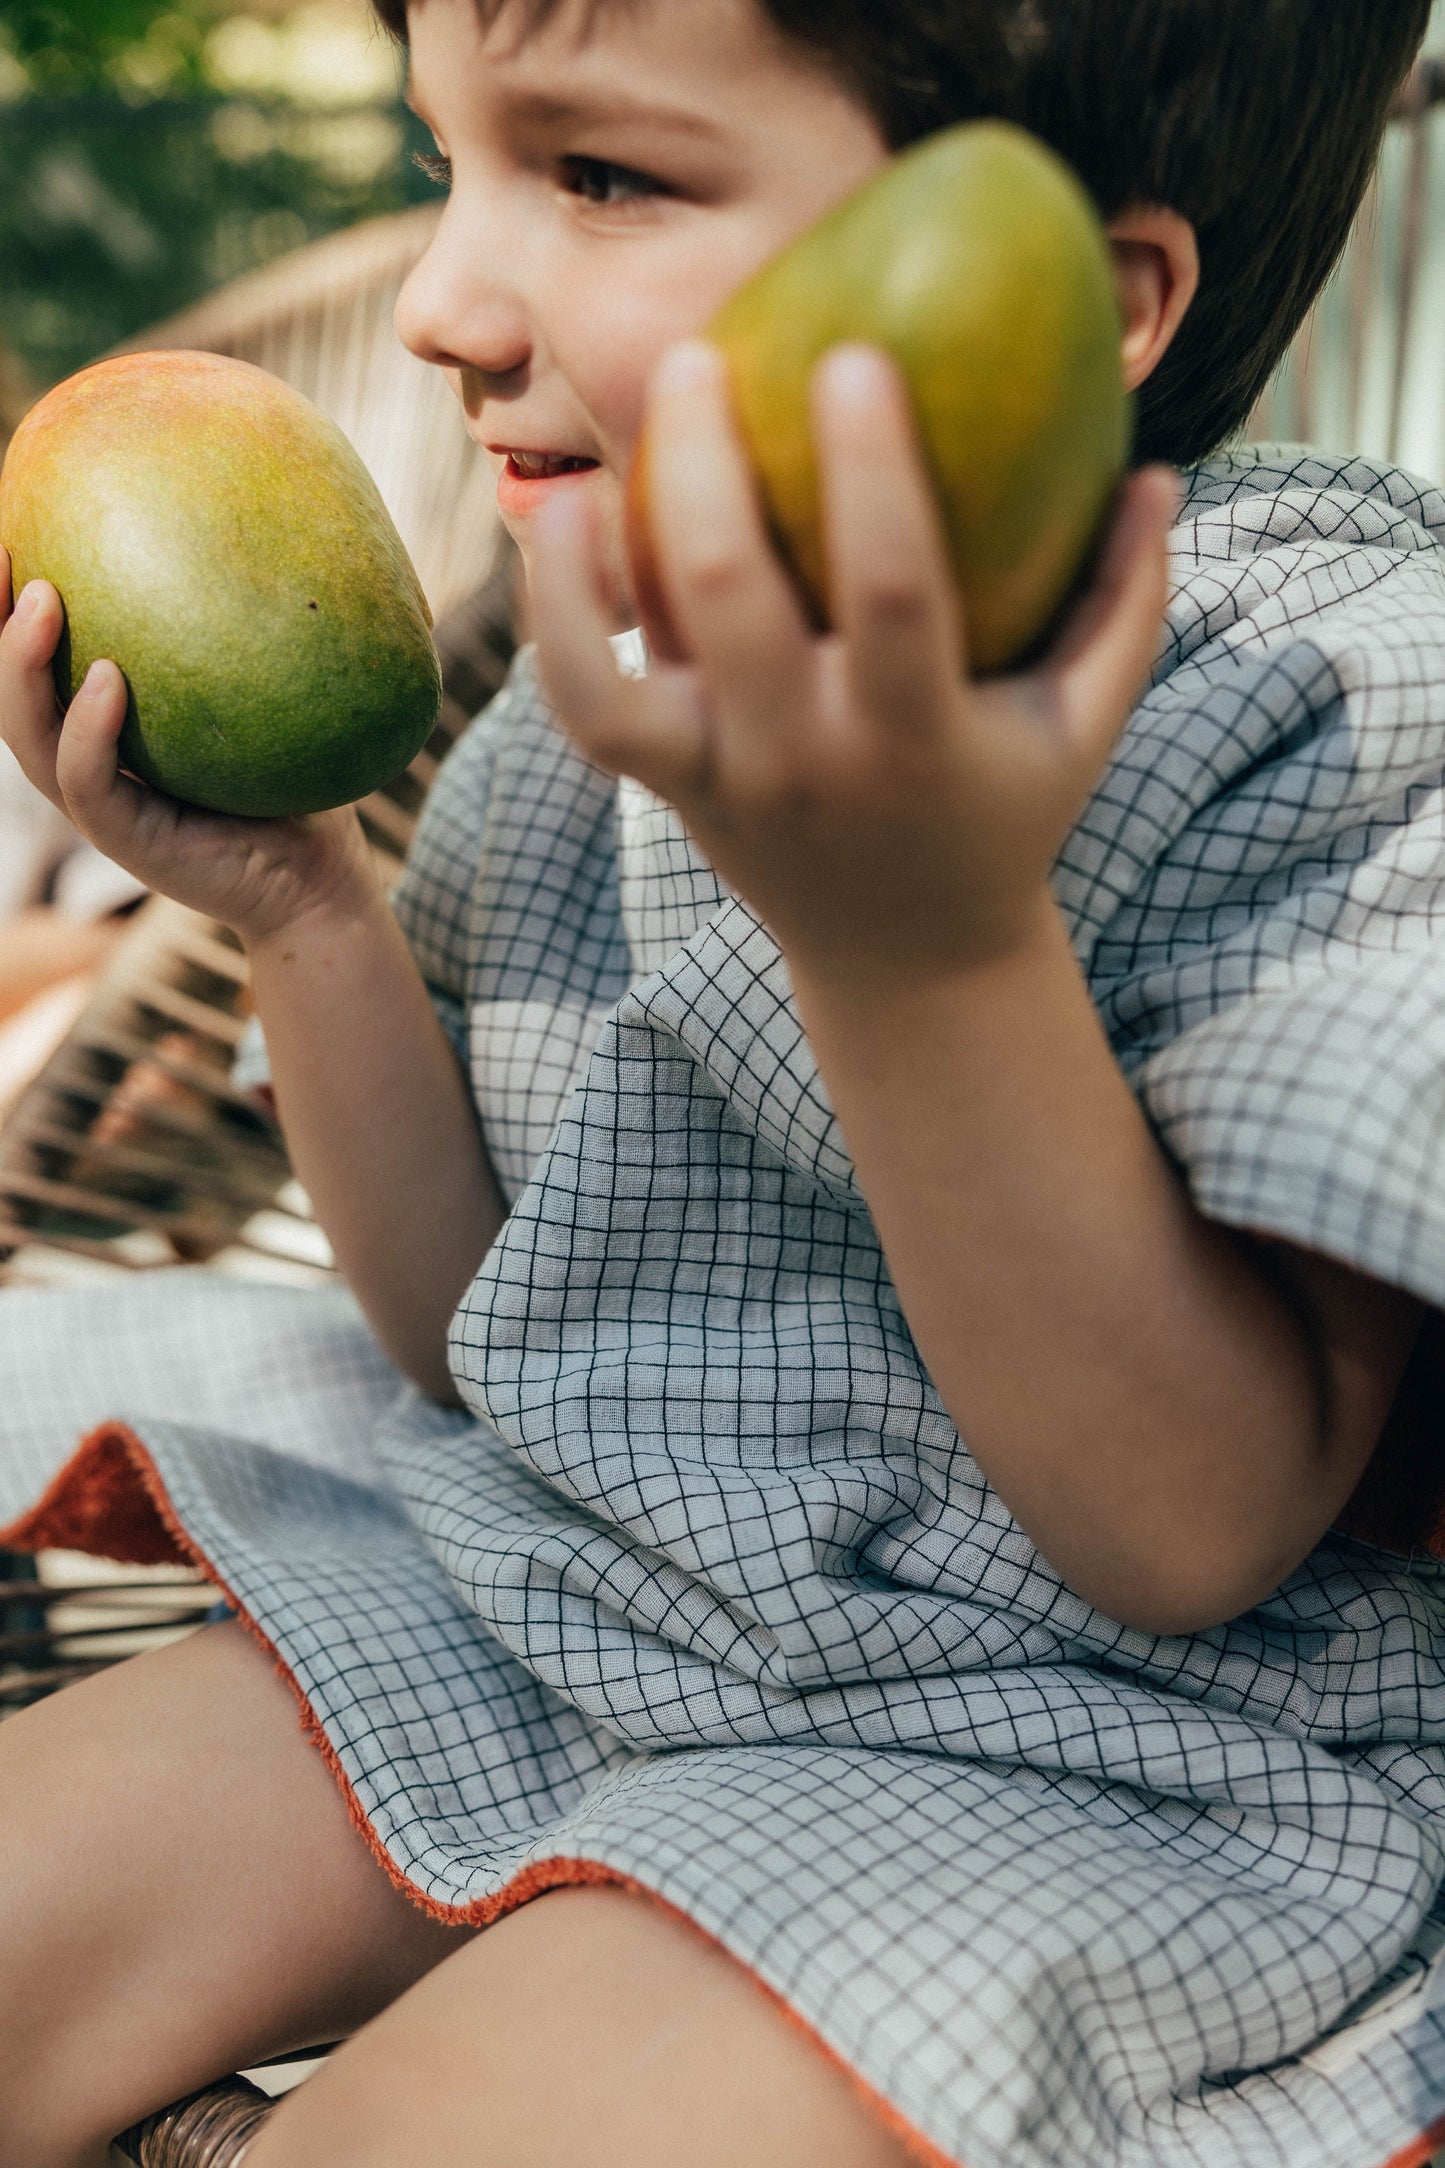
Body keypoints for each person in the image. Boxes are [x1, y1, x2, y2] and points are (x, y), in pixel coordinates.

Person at [0, 0, 1439, 2163]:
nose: (441, 306)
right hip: (574, 1599)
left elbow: (1192, 1531)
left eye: (600, 175)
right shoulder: (614, 672)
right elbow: (495, 1333)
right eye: (447, 162)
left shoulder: (1325, 704)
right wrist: (303, 916)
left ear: (1079, 294)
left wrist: (918, 939)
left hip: (1070, 1761)